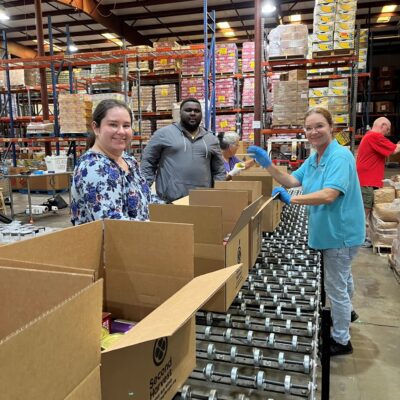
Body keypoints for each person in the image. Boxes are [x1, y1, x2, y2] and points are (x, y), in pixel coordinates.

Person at [247, 107, 365, 357]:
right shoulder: (314, 158)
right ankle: (348, 312)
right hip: (329, 230)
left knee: (335, 287)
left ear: (331, 127)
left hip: (340, 233)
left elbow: (329, 194)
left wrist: (292, 200)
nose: (313, 132)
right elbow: (291, 181)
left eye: (319, 126)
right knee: (343, 277)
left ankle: (341, 339)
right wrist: (268, 165)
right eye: (309, 128)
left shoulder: (340, 157)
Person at [71, 99, 151, 225]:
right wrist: (155, 229)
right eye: (113, 125)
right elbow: (110, 222)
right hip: (115, 237)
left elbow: (146, 200)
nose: (121, 131)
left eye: (126, 126)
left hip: (140, 234)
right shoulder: (93, 167)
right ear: (96, 128)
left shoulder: (129, 161)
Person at [140, 98, 226, 203]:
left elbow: (219, 170)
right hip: (169, 202)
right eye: (188, 110)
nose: (193, 113)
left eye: (197, 111)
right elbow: (148, 161)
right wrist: (143, 189)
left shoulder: (211, 139)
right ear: (180, 112)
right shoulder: (163, 134)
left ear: (201, 114)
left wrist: (217, 193)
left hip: (202, 202)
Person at [356, 117, 400, 247]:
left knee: (368, 210)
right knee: (364, 211)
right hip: (366, 181)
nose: (387, 132)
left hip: (368, 180)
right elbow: (394, 150)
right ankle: (358, 238)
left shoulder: (370, 136)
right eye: (388, 129)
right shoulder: (374, 136)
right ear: (383, 125)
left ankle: (366, 237)